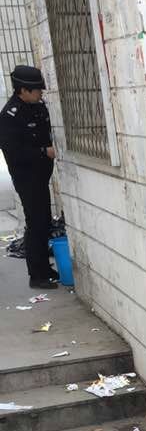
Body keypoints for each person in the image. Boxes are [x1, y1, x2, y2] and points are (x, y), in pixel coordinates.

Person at [0, 64, 59, 289]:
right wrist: (43, 152)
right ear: (23, 90)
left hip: (41, 176)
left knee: (44, 221)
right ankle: (37, 275)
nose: (40, 94)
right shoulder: (9, 116)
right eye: (37, 90)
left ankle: (44, 268)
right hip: (26, 178)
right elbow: (14, 152)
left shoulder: (37, 106)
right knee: (36, 223)